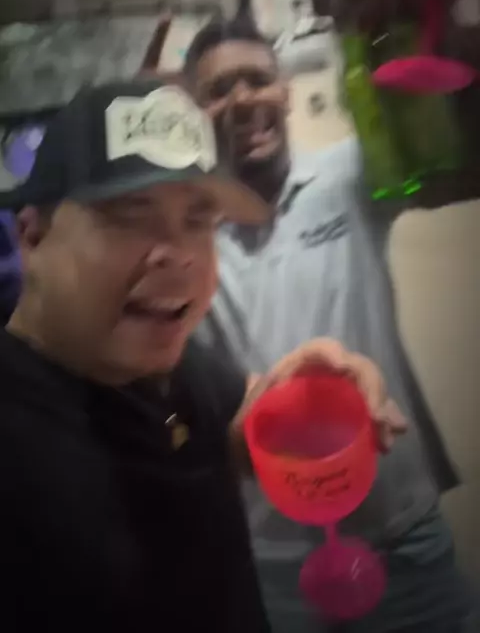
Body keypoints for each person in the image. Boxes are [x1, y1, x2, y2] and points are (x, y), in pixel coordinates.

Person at [0, 78, 399, 631]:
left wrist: (301, 392)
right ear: (32, 236)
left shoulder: (172, 366)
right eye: (129, 213)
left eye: (199, 221)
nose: (182, 254)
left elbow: (231, 436)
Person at [184, 17, 475, 633]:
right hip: (276, 556)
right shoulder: (188, 234)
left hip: (398, 530)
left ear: (286, 91)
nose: (242, 100)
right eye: (218, 90)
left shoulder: (347, 176)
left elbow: (454, 159)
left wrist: (428, 27)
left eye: (257, 79)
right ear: (197, 111)